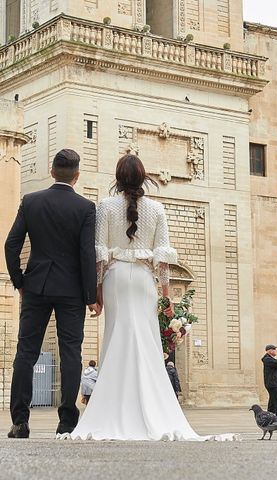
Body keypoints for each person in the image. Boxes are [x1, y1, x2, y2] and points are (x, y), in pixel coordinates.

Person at [70, 154, 209, 441]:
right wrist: (167, 296)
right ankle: (152, 404)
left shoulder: (106, 207)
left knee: (116, 336)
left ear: (118, 178)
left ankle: (113, 404)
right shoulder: (157, 209)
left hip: (116, 278)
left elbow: (100, 253)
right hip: (145, 280)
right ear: (144, 177)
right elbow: (163, 258)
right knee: (146, 340)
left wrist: (97, 289)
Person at [4, 149, 100, 439]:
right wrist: (90, 295)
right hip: (71, 290)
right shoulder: (85, 208)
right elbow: (87, 253)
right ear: (77, 175)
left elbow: (11, 244)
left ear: (52, 170)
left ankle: (20, 421)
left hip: (36, 287)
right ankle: (67, 422)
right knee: (71, 353)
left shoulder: (31, 202)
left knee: (26, 353)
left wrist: (19, 280)